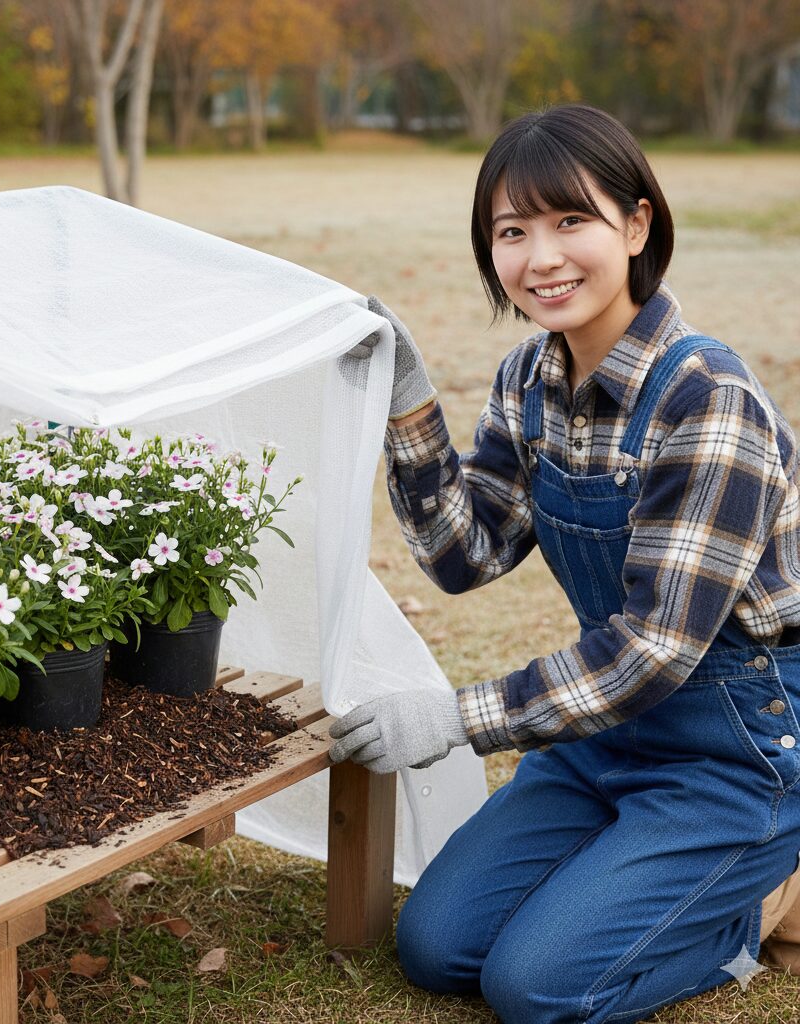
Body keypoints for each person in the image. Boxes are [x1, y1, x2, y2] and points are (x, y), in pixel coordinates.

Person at [330, 104, 800, 1023]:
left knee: (536, 986)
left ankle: (753, 905)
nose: (541, 258)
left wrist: (457, 717)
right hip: (607, 734)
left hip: (737, 743)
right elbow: (464, 557)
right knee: (437, 948)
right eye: (512, 232)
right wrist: (409, 404)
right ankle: (642, 867)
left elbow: (655, 649)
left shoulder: (708, 400)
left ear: (636, 224)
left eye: (570, 221)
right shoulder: (526, 381)